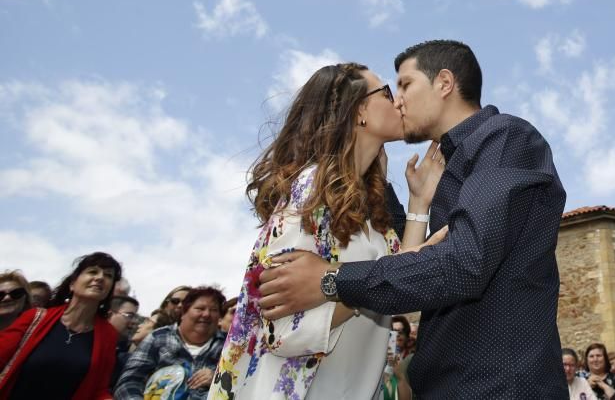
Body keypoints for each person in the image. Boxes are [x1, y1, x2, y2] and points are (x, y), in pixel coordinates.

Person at [257, 40, 568, 398]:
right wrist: (414, 203)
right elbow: (407, 266)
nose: (398, 100)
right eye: (389, 91)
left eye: (404, 84)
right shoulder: (446, 168)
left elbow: (463, 264)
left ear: (445, 83)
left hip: (497, 386)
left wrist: (331, 280)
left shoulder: (503, 138)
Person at [208, 63, 445, 399]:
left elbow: (397, 284)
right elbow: (281, 328)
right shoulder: (311, 188)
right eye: (387, 93)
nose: (399, 102)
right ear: (359, 108)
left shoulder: (369, 206)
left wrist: (419, 203)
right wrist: (374, 283)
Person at [0, 252, 121, 398]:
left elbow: (99, 389)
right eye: (92, 271)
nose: (100, 277)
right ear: (72, 284)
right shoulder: (35, 318)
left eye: (108, 276)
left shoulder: (108, 335)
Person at [115, 286, 226, 400]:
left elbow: (240, 386)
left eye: (213, 310)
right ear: (183, 312)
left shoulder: (229, 347)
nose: (207, 314)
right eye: (200, 308)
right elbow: (128, 381)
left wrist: (217, 379)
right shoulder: (158, 337)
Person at [109, 296, 140, 386]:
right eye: (129, 316)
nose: (134, 322)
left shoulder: (121, 354)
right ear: (109, 314)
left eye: (135, 317)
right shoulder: (89, 344)